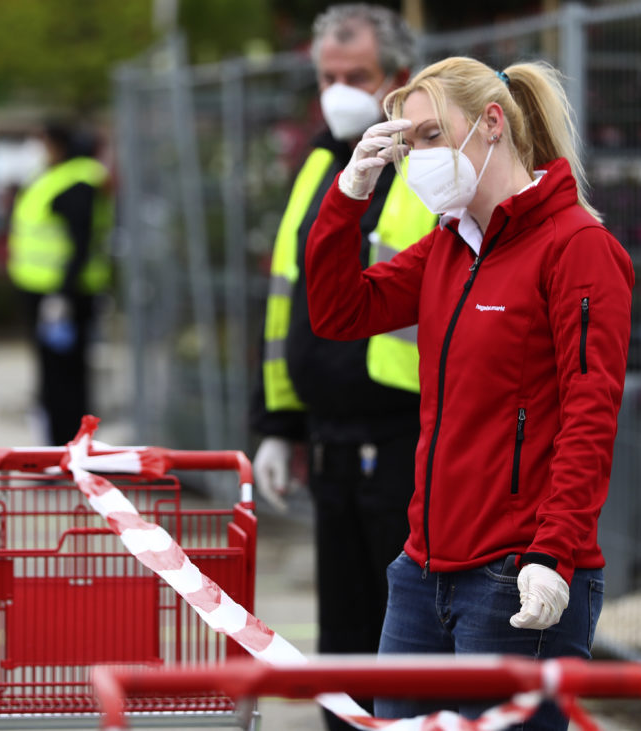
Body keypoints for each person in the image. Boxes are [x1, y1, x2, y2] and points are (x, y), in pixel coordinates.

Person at [304, 56, 634, 730]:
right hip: (421, 571)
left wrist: (554, 552)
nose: (415, 157)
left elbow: (590, 411)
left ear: (490, 124)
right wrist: (349, 192)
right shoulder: (449, 246)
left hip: (516, 576)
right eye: (404, 142)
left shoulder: (578, 246)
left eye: (429, 136)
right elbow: (338, 310)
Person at [249, 5, 435, 729]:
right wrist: (277, 424)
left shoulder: (431, 166)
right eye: (327, 76)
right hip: (328, 436)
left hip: (404, 433)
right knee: (344, 636)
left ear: (397, 77)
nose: (337, 91)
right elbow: (284, 303)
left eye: (354, 76)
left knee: (406, 632)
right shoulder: (322, 160)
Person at [7, 120, 113, 446]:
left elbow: (79, 245)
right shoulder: (58, 178)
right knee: (57, 378)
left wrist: (61, 296)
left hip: (62, 298)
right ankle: (61, 451)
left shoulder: (76, 182)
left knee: (63, 380)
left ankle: (64, 454)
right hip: (50, 294)